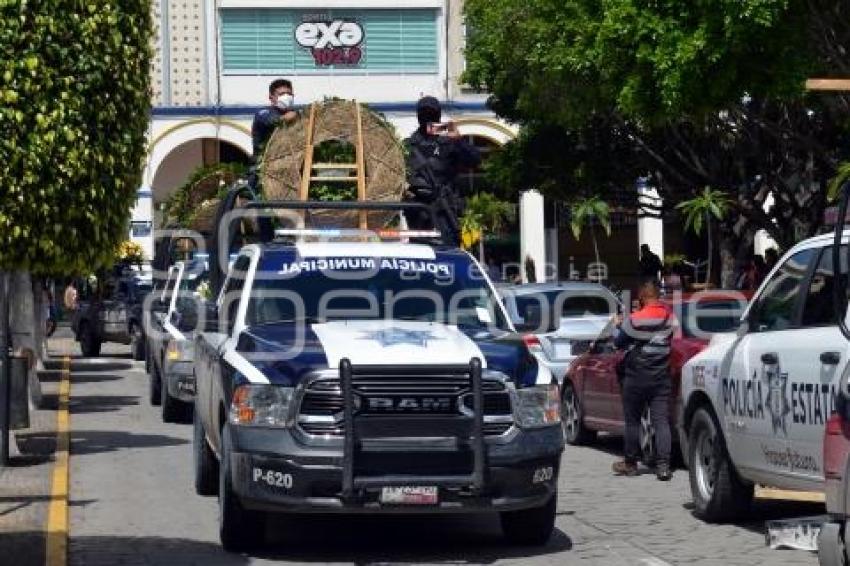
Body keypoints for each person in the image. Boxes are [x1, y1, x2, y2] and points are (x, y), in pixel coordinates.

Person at [612, 279, 675, 481]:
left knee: (632, 421)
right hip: (661, 374)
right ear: (658, 296)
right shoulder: (669, 316)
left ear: (642, 297)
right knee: (661, 421)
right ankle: (664, 467)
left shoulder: (635, 318)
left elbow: (618, 343)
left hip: (636, 376)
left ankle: (630, 463)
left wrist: (617, 326)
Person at [404, 96, 481, 247]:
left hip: (444, 211)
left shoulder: (449, 143)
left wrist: (458, 140)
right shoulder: (407, 146)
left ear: (438, 116)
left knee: (447, 254)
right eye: (425, 113)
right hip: (418, 211)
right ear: (419, 116)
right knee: (422, 257)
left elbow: (475, 160)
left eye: (431, 114)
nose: (428, 118)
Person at [251, 78, 299, 162]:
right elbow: (272, 121)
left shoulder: (295, 113)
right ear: (271, 97)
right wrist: (285, 118)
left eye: (289, 94)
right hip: (263, 163)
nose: (286, 97)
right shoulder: (263, 113)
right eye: (282, 94)